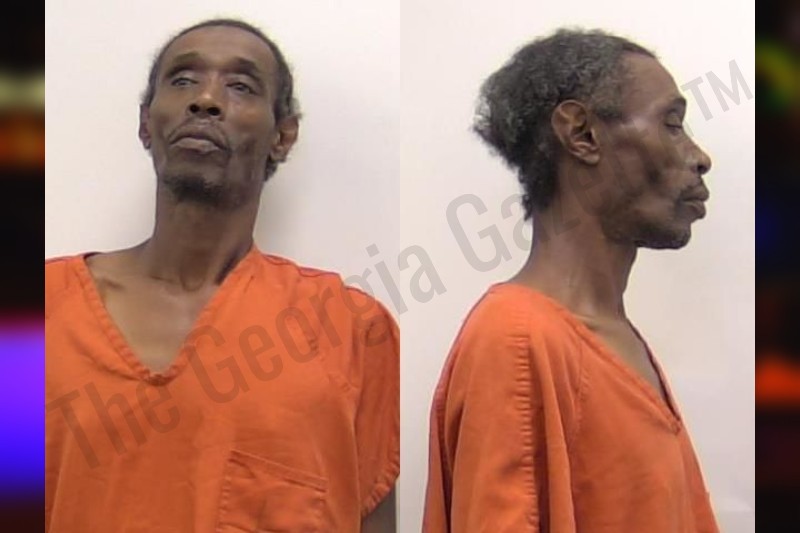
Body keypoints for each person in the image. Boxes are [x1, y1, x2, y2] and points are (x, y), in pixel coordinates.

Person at [45, 18, 398, 532]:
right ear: (146, 122)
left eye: (240, 86)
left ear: (283, 135)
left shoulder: (350, 330)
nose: (206, 99)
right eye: (183, 80)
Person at [423, 29, 718, 532]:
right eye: (671, 124)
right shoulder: (517, 339)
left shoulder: (612, 338)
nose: (699, 156)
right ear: (581, 134)